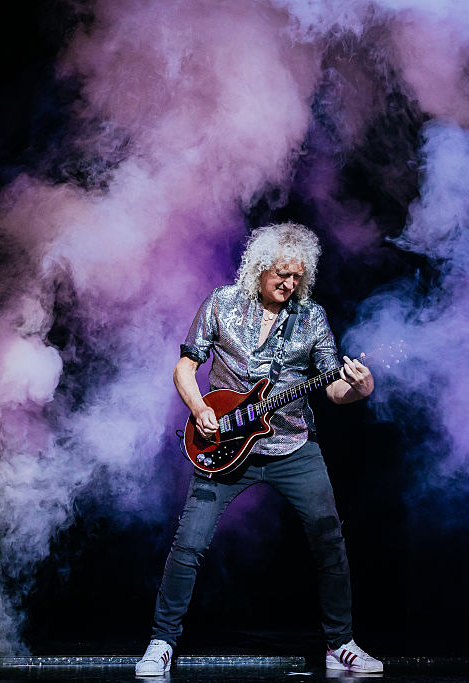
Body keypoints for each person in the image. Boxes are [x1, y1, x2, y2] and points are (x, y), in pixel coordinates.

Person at [135, 223, 383, 676]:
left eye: (298, 277)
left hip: (293, 447)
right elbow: (185, 367)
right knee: (189, 543)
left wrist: (359, 390)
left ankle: (340, 644)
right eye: (282, 274)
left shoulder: (311, 317)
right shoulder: (221, 303)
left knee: (329, 541)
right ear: (259, 268)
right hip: (224, 446)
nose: (290, 284)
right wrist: (199, 408)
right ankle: (161, 642)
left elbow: (332, 389)